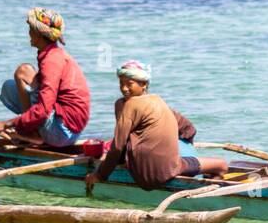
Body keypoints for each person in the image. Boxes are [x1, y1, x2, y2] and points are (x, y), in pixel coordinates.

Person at [86, 61, 227, 192]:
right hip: (167, 170)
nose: (124, 88)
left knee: (194, 163)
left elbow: (118, 147)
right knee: (219, 165)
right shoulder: (157, 101)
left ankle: (212, 177)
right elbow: (189, 129)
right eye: (121, 83)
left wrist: (99, 175)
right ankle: (213, 179)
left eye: (129, 84)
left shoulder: (126, 104)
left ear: (144, 85)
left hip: (144, 174)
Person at [0, 7, 91, 148]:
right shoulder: (54, 54)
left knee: (23, 71)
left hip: (62, 132)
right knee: (9, 87)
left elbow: (43, 109)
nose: (29, 33)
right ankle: (31, 131)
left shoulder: (51, 60)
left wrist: (5, 124)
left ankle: (32, 133)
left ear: (39, 34)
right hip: (68, 130)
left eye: (31, 29)